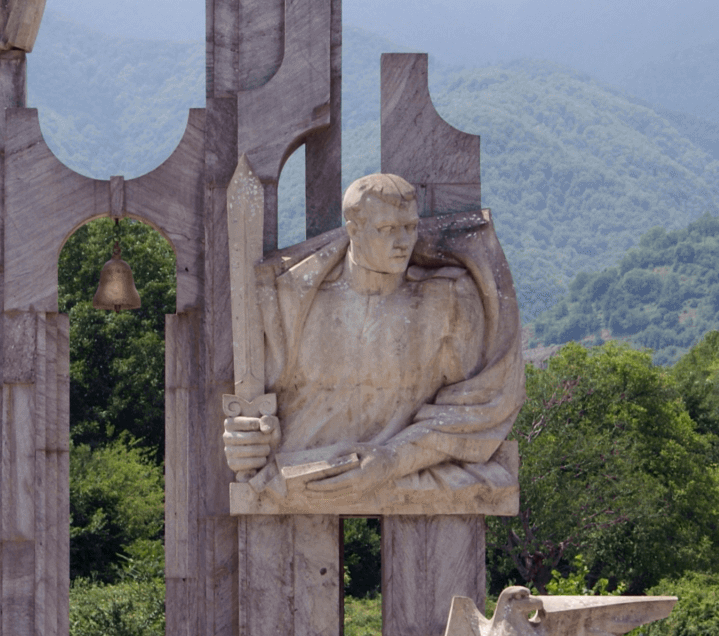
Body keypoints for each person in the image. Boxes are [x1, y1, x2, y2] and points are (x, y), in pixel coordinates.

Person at [221, 172, 519, 502]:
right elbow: (272, 413)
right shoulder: (290, 301)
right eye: (388, 229)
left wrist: (396, 458)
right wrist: (254, 441)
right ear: (354, 231)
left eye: (410, 227)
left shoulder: (448, 302)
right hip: (298, 485)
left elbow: (478, 410)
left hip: (413, 487)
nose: (404, 241)